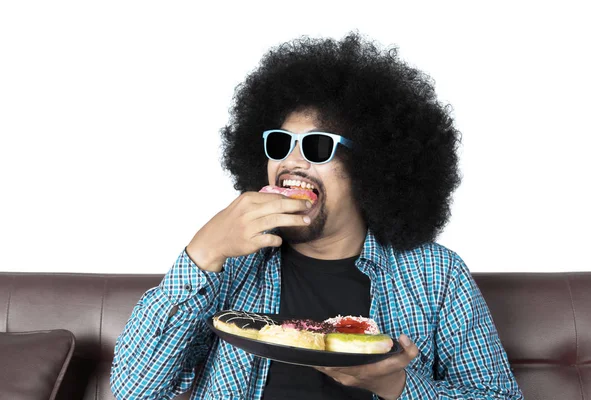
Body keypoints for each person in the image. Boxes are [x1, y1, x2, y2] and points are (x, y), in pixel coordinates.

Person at [110, 33, 523, 399]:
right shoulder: (230, 264)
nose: (291, 161)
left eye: (318, 147)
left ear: (372, 168)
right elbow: (135, 391)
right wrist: (202, 254)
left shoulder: (436, 274)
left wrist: (395, 386)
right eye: (280, 143)